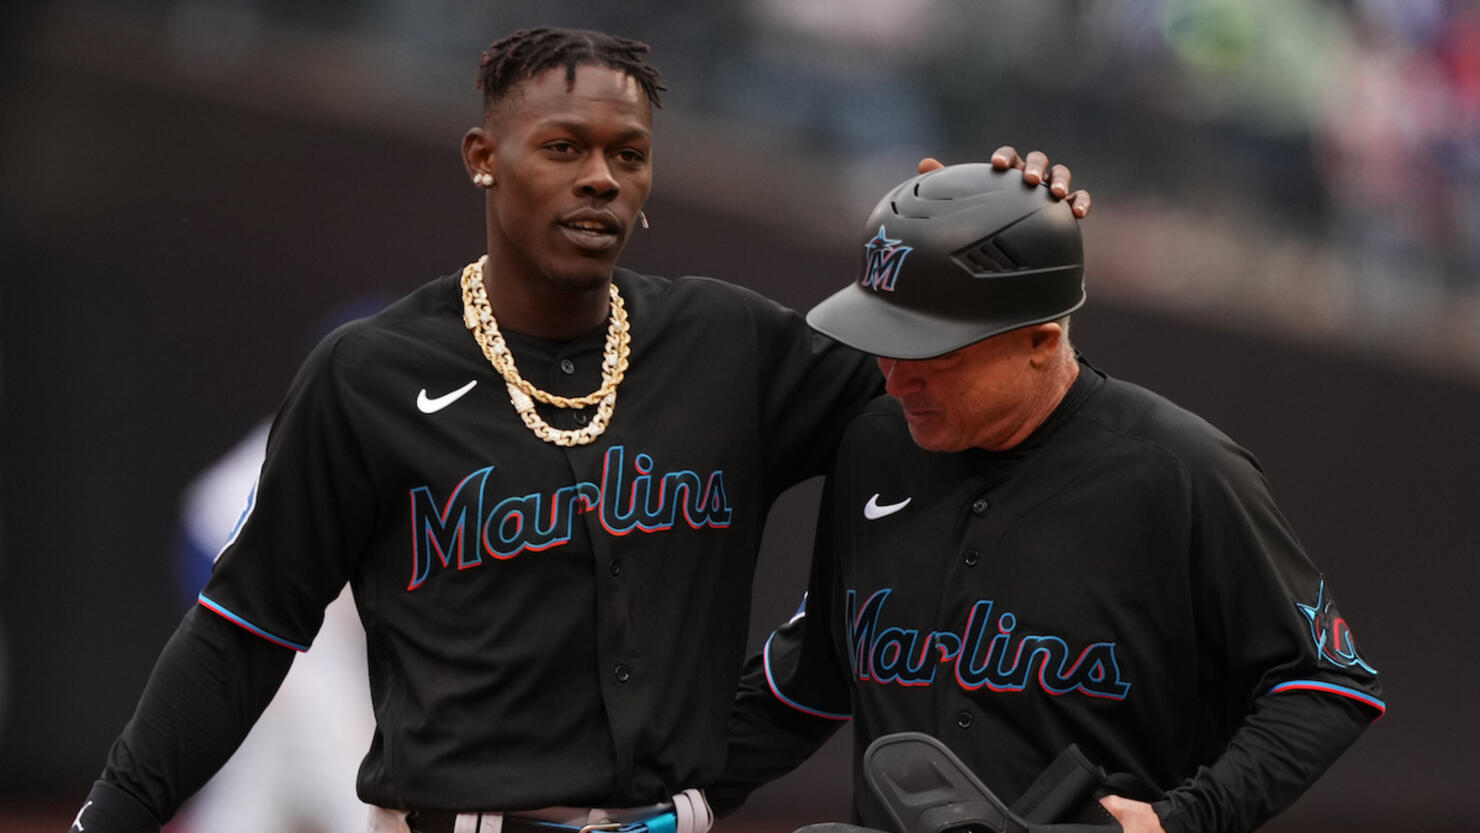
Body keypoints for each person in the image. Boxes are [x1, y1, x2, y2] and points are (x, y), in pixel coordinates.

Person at [69, 28, 1089, 833]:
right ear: (483, 157)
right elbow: (241, 633)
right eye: (563, 147)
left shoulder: (727, 342)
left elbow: (961, 396)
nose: (599, 176)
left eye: (627, 153)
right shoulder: (372, 373)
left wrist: (993, 268)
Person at [710, 164, 1384, 833]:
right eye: (884, 341)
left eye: (929, 352)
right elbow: (808, 681)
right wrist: (662, 798)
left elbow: (1327, 686)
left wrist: (1185, 819)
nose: (894, 378)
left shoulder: (1182, 472)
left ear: (1040, 339)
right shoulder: (873, 445)